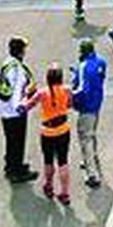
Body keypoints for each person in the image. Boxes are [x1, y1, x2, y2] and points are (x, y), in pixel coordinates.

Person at [23, 64, 73, 205]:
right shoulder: (67, 90)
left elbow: (28, 105)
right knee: (63, 161)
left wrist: (25, 95)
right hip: (63, 129)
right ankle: (65, 193)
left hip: (47, 132)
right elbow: (69, 105)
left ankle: (49, 185)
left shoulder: (42, 93)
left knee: (48, 160)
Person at [0, 35, 38, 183]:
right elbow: (17, 92)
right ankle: (16, 171)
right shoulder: (17, 69)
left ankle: (11, 165)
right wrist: (21, 106)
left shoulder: (7, 63)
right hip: (15, 111)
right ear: (21, 52)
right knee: (17, 141)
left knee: (10, 140)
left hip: (4, 110)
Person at [71, 39, 107, 189]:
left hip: (86, 107)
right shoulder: (101, 62)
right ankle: (94, 155)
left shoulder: (83, 67)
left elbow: (81, 90)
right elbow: (99, 78)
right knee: (92, 133)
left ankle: (91, 174)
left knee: (85, 138)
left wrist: (70, 98)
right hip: (97, 102)